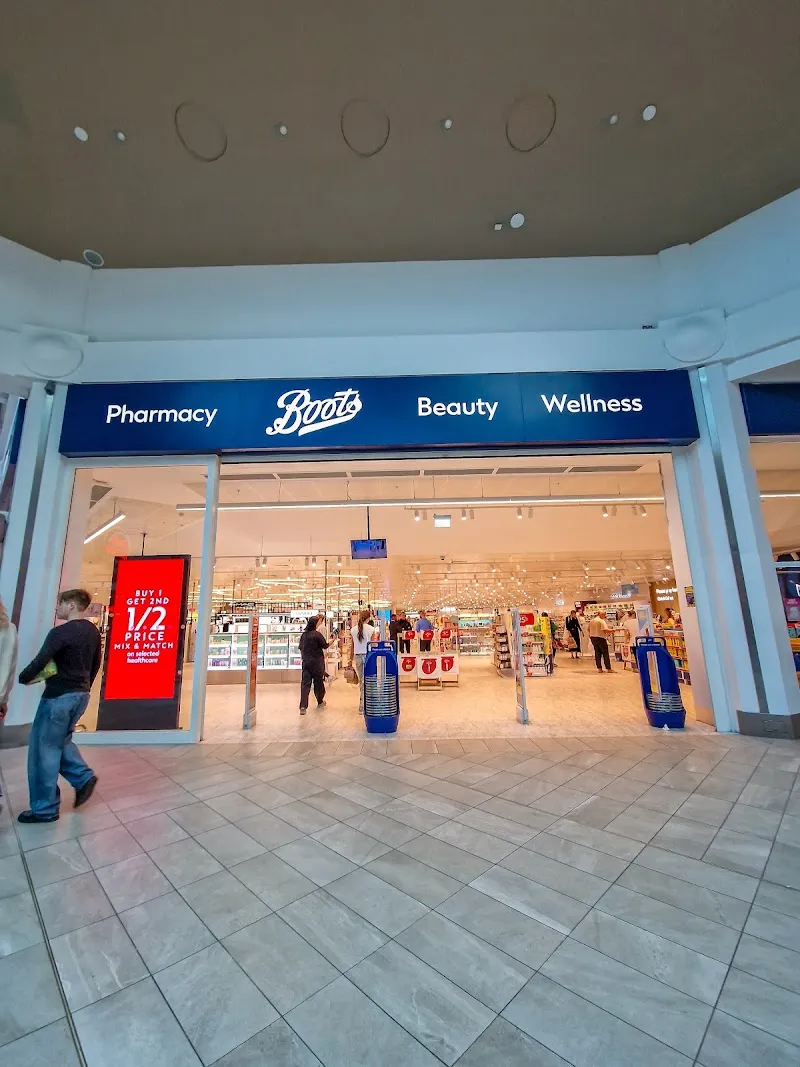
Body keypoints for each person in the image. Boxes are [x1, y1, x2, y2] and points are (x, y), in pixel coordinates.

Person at [16, 588, 101, 823]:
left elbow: (41, 660)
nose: (57, 608)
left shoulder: (60, 633)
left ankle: (44, 808)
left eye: (60, 604)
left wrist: (22, 678)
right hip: (80, 695)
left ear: (71, 605)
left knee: (43, 751)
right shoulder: (92, 632)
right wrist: (85, 686)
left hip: (58, 696)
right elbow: (96, 663)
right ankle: (83, 778)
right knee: (59, 741)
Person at [298, 615, 328, 715]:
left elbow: (300, 648)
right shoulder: (317, 635)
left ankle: (303, 706)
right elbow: (325, 645)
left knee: (305, 684)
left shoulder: (304, 635)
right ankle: (320, 701)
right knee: (318, 683)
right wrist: (332, 641)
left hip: (306, 662)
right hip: (317, 663)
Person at [350, 609, 378, 690]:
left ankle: (362, 699)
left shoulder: (353, 630)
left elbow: (352, 646)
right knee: (369, 678)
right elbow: (373, 644)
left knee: (361, 679)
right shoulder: (371, 629)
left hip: (357, 656)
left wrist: (350, 660)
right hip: (368, 655)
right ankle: (368, 699)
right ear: (368, 618)